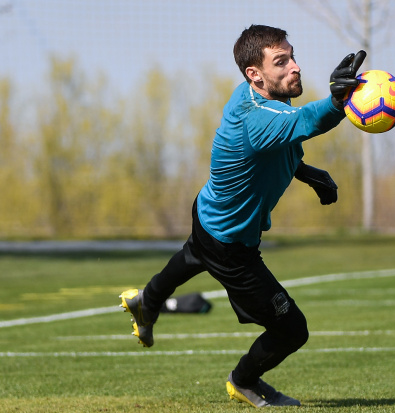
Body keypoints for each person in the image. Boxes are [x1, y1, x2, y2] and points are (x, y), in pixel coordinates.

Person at [120, 24, 366, 408]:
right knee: (292, 329)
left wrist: (306, 172)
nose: (295, 67)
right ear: (255, 74)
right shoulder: (257, 118)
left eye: (292, 57)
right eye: (281, 62)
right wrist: (337, 103)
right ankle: (243, 381)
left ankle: (147, 302)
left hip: (208, 212)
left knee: (193, 254)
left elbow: (277, 142)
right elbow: (302, 123)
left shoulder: (250, 96)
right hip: (231, 244)